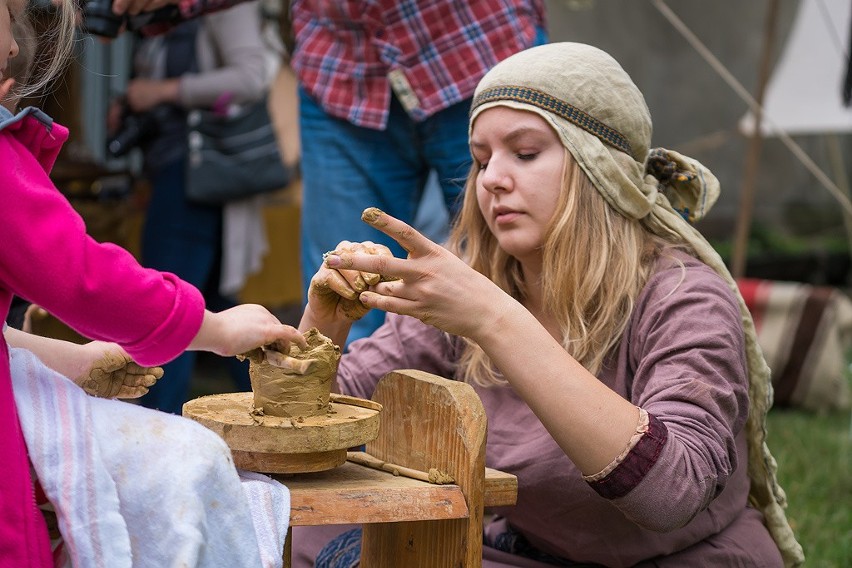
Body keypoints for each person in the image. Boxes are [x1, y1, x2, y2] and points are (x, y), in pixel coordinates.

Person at [293, 43, 805, 566]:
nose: (492, 178)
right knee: (293, 530)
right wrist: (323, 329)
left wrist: (495, 322)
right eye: (481, 159)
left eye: (525, 152)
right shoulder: (485, 285)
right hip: (531, 552)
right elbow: (308, 434)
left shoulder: (682, 296)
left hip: (680, 557)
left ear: (599, 168)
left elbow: (672, 493)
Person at [0, 1, 304, 564]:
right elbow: (87, 279)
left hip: (197, 172)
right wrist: (214, 328)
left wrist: (77, 361)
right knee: (191, 457)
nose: (16, 44)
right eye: (6, 18)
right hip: (179, 176)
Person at [109, 0, 280, 413]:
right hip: (172, 169)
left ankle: (158, 423)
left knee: (171, 303)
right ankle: (280, 403)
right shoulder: (152, 16)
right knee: (214, 304)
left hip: (194, 176)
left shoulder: (222, 6)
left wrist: (163, 91)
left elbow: (251, 76)